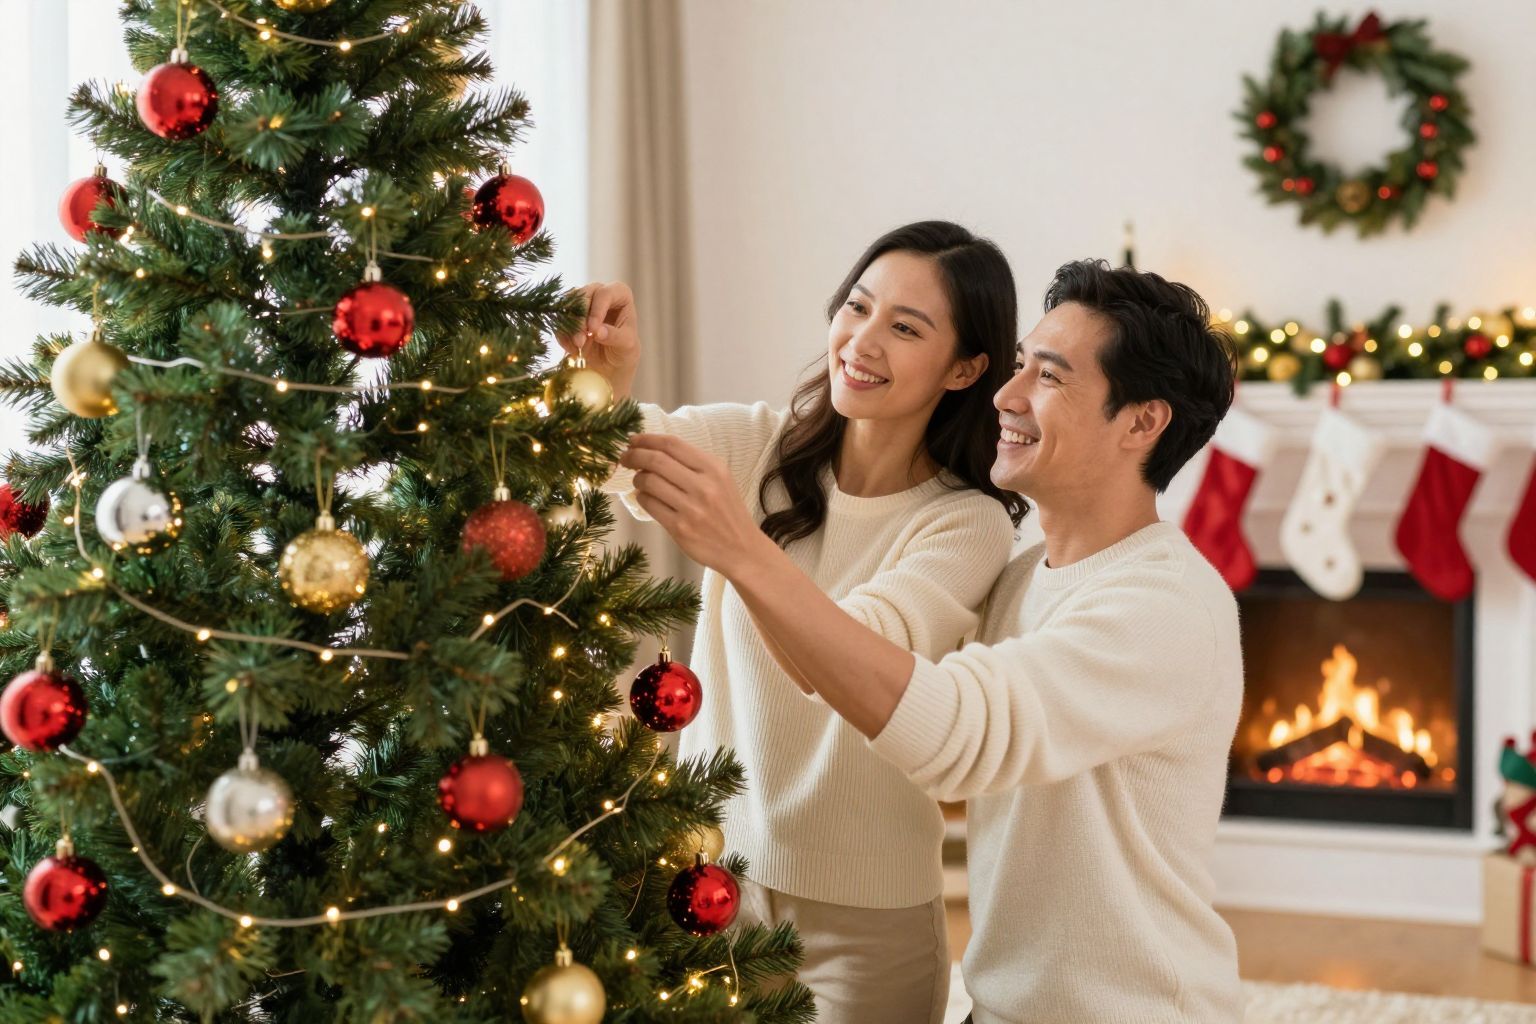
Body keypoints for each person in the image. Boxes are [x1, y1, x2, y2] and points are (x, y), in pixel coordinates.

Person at [620, 258, 1246, 1023]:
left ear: (1143, 423)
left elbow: (957, 733)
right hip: (1001, 1006)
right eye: (1018, 367)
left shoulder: (1163, 606)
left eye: (1048, 377)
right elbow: (854, 661)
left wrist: (741, 550)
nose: (1007, 398)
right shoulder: (1024, 577)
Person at [562, 222, 1027, 1023]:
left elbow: (843, 662)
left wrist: (738, 546)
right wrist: (604, 379)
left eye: (905, 328)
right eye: (858, 306)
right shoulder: (758, 446)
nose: (863, 340)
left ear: (965, 368)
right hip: (708, 881)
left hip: (867, 924)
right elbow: (598, 455)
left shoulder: (966, 523)